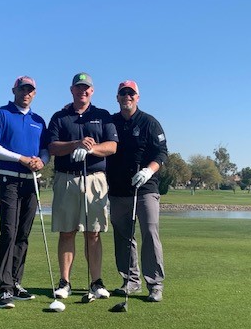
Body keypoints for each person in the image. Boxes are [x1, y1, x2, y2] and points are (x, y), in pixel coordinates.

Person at [46, 72, 118, 300]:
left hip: (95, 179)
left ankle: (96, 282)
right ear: (72, 90)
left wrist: (90, 149)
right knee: (67, 232)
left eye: (86, 88)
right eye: (78, 87)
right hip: (67, 178)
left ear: (92, 91)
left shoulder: (102, 115)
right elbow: (52, 147)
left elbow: (112, 146)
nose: (82, 91)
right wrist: (76, 144)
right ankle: (64, 282)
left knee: (93, 233)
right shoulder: (60, 117)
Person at [0, 76, 49, 309]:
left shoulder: (38, 121)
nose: (26, 93)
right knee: (9, 232)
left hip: (32, 182)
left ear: (34, 93)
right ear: (14, 90)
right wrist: (20, 158)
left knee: (23, 234)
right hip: (9, 180)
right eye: (22, 89)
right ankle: (4, 288)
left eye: (30, 90)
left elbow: (45, 150)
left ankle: (16, 282)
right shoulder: (1, 114)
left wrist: (42, 161)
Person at [106, 80, 168, 302]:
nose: (127, 97)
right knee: (123, 237)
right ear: (117, 97)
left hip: (145, 189)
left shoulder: (149, 122)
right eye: (123, 93)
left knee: (149, 233)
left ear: (137, 97)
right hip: (118, 190)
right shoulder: (111, 122)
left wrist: (149, 171)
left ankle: (155, 284)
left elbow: (162, 153)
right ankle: (130, 281)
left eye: (131, 93)